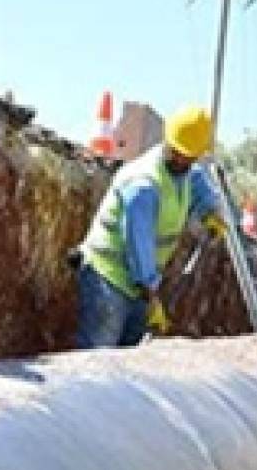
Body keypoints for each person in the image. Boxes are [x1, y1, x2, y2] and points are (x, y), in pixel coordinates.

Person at [75, 104, 226, 348]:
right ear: (167, 140)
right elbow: (138, 245)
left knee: (127, 363)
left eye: (188, 156)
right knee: (98, 357)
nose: (181, 159)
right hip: (109, 277)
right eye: (177, 152)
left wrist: (210, 212)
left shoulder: (185, 172)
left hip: (138, 285)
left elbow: (198, 182)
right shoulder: (143, 186)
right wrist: (153, 297)